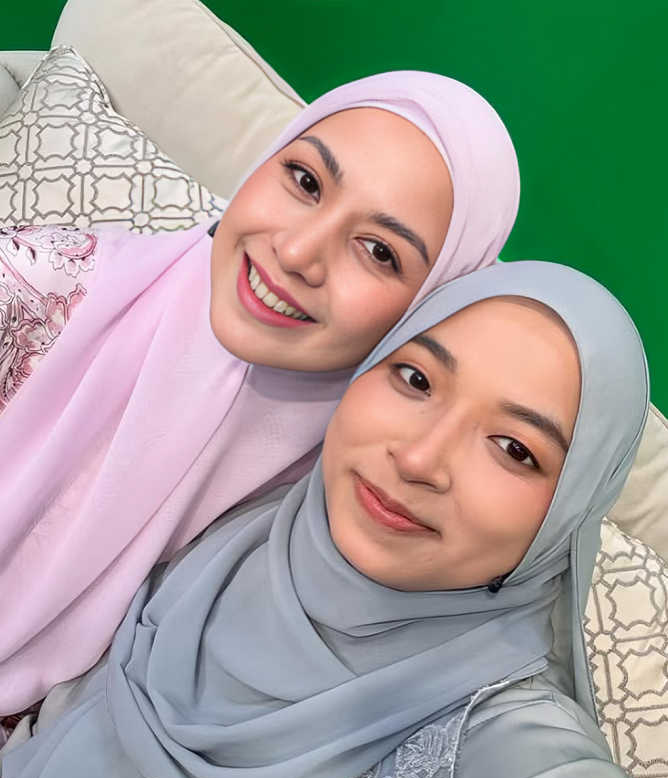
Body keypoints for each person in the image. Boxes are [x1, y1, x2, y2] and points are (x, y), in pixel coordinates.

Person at [0, 259, 647, 778]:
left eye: (514, 448)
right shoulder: (227, 524)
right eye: (416, 378)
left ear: (567, 515)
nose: (419, 459)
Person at [0, 71, 520, 717]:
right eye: (305, 181)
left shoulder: (351, 504)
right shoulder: (42, 286)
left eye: (379, 251)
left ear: (423, 310)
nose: (298, 252)